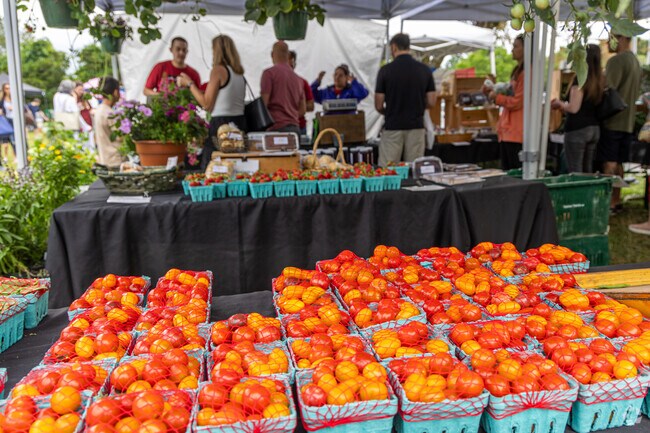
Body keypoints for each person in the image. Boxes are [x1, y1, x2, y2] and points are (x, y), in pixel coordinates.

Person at [178, 35, 247, 169]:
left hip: (221, 125)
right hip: (240, 123)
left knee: (213, 166)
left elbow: (207, 104)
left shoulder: (218, 70)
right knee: (236, 166)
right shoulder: (239, 73)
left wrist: (190, 84)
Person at [374, 33, 436, 167]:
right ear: (408, 46)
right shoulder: (424, 70)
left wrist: (390, 111)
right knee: (415, 169)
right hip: (416, 126)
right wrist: (417, 107)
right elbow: (431, 101)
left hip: (393, 125)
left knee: (388, 169)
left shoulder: (385, 71)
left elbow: (378, 104)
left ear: (394, 47)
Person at [598, 33, 642, 213]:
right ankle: (617, 200)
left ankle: (609, 203)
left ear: (622, 38)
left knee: (610, 163)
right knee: (620, 163)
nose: (608, 42)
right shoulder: (635, 60)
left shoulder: (616, 61)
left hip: (613, 120)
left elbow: (608, 88)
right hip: (628, 121)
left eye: (611, 38)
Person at [551, 44, 603, 173]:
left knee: (575, 170)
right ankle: (590, 192)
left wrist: (560, 103)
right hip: (594, 128)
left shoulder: (580, 80)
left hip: (577, 129)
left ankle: (579, 193)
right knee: (587, 169)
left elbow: (574, 108)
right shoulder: (599, 80)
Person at [486, 34, 525, 170]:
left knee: (514, 171)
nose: (512, 50)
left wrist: (496, 98)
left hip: (516, 131)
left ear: (526, 49)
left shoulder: (527, 73)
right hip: (509, 131)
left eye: (516, 46)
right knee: (508, 170)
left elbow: (518, 101)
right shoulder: (518, 72)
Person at [260, 41, 306, 135]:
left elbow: (264, 103)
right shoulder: (298, 79)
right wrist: (290, 116)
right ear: (288, 55)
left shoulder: (269, 74)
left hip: (276, 129)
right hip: (294, 129)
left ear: (272, 54)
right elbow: (303, 109)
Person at [94, 77, 124, 166]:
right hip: (115, 160)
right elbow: (120, 137)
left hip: (105, 159)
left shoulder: (99, 110)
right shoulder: (110, 113)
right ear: (115, 92)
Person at [288, 50, 314, 136]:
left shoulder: (302, 82)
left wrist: (298, 107)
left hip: (299, 126)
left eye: (291, 64)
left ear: (294, 64)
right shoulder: (274, 82)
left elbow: (311, 106)